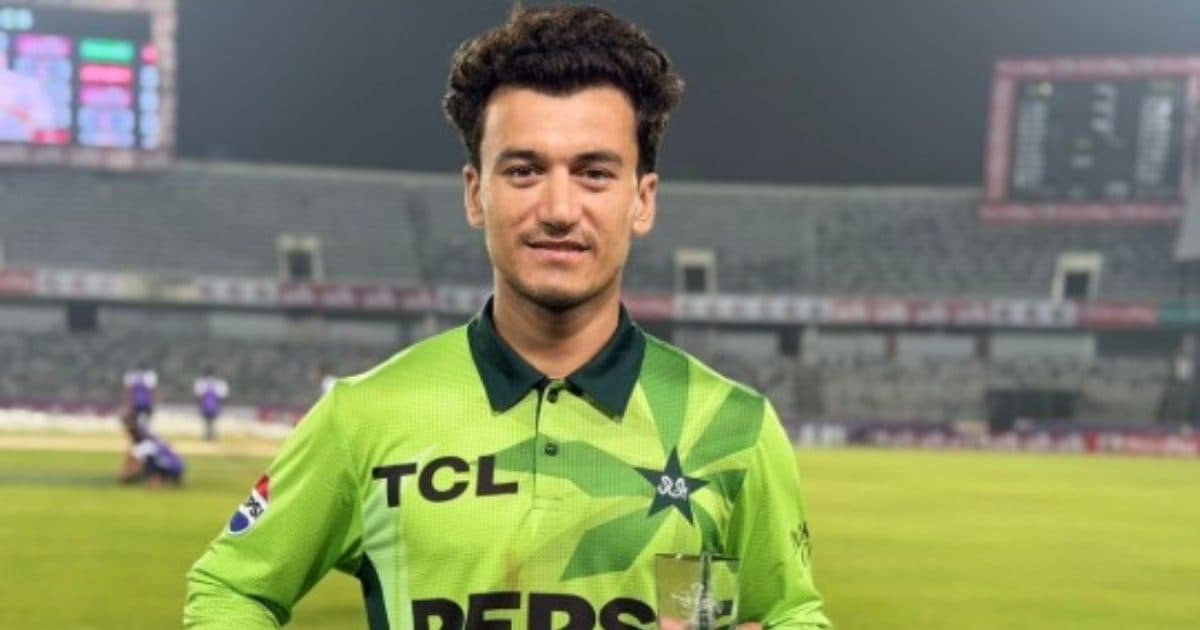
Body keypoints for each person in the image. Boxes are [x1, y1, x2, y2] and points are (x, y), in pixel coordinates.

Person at [185, 6, 830, 629]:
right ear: (476, 194)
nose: (558, 209)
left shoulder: (734, 428)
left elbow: (786, 614)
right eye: (523, 171)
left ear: (642, 199)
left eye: (594, 173)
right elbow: (231, 589)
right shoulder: (364, 416)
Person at [118, 407, 184, 487]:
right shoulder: (150, 436)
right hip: (178, 466)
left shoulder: (143, 444)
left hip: (168, 467)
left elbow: (133, 465)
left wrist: (124, 476)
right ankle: (171, 480)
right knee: (149, 459)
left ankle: (157, 480)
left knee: (147, 463)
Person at [194, 367, 230, 441]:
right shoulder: (219, 383)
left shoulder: (202, 383)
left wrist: (199, 404)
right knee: (211, 421)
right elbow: (223, 395)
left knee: (208, 421)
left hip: (206, 405)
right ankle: (211, 434)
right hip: (214, 405)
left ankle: (209, 435)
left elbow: (198, 395)